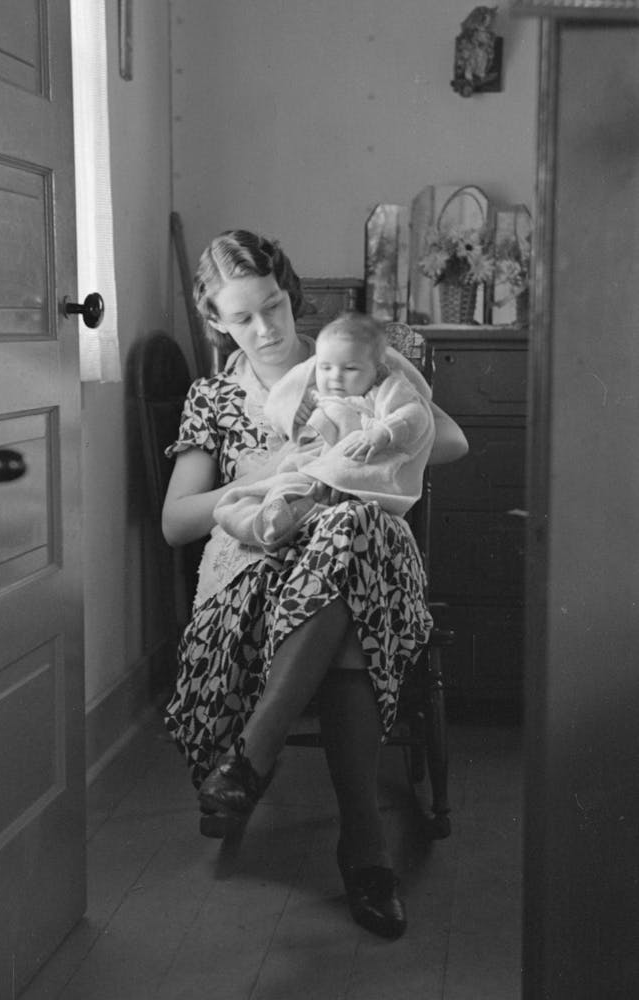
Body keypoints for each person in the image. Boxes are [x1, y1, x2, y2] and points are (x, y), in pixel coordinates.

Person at [162, 230, 468, 941]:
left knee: (348, 533)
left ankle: (253, 754)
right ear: (217, 321)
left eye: (273, 305)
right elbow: (178, 521)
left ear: (288, 291)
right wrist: (276, 475)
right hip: (260, 568)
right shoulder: (213, 396)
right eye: (243, 317)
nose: (266, 328)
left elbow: (447, 441)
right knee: (345, 585)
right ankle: (365, 852)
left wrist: (363, 441)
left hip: (360, 549)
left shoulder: (348, 358)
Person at [213, 311, 436, 550]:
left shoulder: (383, 389)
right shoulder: (313, 395)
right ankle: (264, 520)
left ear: (377, 371)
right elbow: (280, 404)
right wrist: (293, 413)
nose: (335, 377)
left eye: (350, 369)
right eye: (325, 367)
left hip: (356, 462)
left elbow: (415, 413)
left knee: (343, 472)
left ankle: (303, 508)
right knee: (273, 489)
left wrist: (383, 432)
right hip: (311, 465)